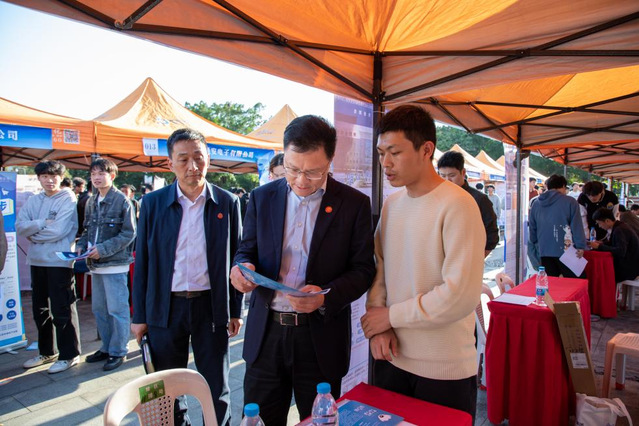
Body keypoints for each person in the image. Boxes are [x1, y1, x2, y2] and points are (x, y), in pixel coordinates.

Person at [230, 115, 375, 426]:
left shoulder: (353, 204)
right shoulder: (262, 198)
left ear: (330, 161)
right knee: (259, 418)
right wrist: (242, 269)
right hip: (266, 334)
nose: (300, 180)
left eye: (313, 172)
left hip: (319, 339)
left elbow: (363, 270)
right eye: (292, 169)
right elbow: (246, 250)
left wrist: (325, 297)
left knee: (319, 419)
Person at [361, 105, 485, 420]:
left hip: (443, 368)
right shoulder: (392, 204)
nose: (385, 163)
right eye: (381, 153)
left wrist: (391, 317)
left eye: (395, 152)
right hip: (390, 356)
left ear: (426, 150)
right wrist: (379, 326)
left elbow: (459, 295)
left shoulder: (458, 205)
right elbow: (379, 269)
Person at [131, 128, 243, 426]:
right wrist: (139, 316)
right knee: (164, 387)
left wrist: (235, 309)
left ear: (208, 159)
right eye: (183, 159)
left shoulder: (227, 202)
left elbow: (237, 258)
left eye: (198, 158)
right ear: (170, 163)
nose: (192, 166)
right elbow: (142, 262)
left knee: (216, 386)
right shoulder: (152, 203)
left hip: (211, 307)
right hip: (165, 308)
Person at [16, 160, 81, 373]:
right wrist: (42, 223)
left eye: (53, 176)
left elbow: (59, 231)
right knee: (40, 309)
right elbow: (20, 227)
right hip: (36, 260)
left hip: (59, 261)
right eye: (45, 176)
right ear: (39, 178)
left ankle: (69, 354)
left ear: (61, 178)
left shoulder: (67, 198)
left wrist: (34, 233)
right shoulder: (34, 200)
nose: (49, 180)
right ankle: (47, 351)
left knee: (62, 308)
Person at [77, 158, 136, 372]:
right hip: (95, 265)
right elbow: (87, 229)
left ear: (112, 176)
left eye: (101, 173)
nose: (96, 177)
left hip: (115, 264)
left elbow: (129, 233)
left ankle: (119, 351)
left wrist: (103, 249)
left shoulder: (122, 200)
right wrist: (81, 246)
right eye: (93, 174)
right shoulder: (92, 201)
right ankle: (106, 347)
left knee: (117, 310)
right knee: (99, 309)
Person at [437, 150, 498, 256]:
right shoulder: (437, 197)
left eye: (452, 175)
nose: (447, 180)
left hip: (468, 257)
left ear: (463, 172)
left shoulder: (479, 199)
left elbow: (492, 234)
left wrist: (478, 257)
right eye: (443, 176)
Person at [528, 174, 586, 278]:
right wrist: (580, 246)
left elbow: (532, 228)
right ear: (563, 186)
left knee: (550, 283)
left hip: (544, 250)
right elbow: (576, 226)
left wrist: (535, 243)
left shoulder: (536, 203)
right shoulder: (570, 202)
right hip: (567, 250)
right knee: (575, 283)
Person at [588, 208, 639, 282]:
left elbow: (620, 251)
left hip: (630, 269)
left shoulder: (620, 230)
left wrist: (599, 246)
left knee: (600, 273)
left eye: (599, 223)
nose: (599, 226)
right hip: (631, 265)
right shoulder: (619, 226)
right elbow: (614, 244)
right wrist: (602, 243)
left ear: (607, 221)